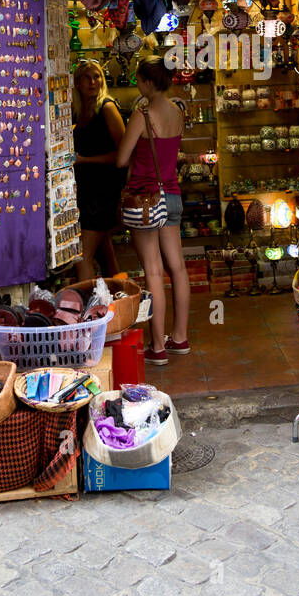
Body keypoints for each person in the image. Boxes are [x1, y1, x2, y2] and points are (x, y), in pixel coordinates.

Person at [116, 55, 191, 366]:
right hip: (172, 194)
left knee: (153, 271)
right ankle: (180, 337)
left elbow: (121, 159)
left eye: (139, 79)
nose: (136, 83)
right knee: (179, 268)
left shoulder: (141, 115)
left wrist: (135, 162)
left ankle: (157, 346)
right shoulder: (177, 111)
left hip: (146, 198)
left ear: (148, 81)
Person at [72, 60, 125, 280]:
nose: (93, 82)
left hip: (103, 192)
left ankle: (91, 310)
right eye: (87, 77)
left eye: (97, 76)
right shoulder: (79, 110)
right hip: (88, 190)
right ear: (77, 82)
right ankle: (122, 303)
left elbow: (124, 154)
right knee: (105, 253)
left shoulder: (107, 107)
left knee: (82, 256)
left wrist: (85, 160)